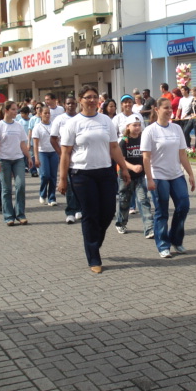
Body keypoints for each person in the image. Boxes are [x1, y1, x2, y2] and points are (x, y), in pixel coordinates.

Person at [58, 85, 131, 273]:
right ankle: (93, 257)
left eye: (94, 97)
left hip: (106, 172)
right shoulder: (73, 124)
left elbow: (114, 147)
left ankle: (94, 242)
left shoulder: (105, 120)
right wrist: (62, 179)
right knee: (90, 215)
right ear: (80, 100)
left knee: (107, 213)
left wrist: (124, 168)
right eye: (88, 97)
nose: (91, 100)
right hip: (82, 174)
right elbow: (65, 153)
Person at [141, 97, 196, 258]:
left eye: (170, 108)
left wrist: (190, 174)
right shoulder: (150, 131)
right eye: (166, 108)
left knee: (183, 206)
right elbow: (146, 158)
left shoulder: (176, 129)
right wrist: (150, 179)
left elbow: (182, 154)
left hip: (176, 175)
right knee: (162, 212)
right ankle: (163, 245)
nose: (169, 110)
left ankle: (176, 240)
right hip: (158, 176)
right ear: (157, 110)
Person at [0, 101, 33, 226]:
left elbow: (22, 143)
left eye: (17, 110)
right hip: (4, 160)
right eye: (14, 110)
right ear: (6, 111)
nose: (16, 112)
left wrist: (29, 157)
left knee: (20, 186)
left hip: (18, 160)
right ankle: (9, 216)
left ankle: (20, 214)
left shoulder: (18, 126)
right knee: (6, 189)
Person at [115, 114, 154, 237]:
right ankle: (121, 223)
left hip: (140, 177)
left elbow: (148, 155)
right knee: (124, 200)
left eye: (139, 125)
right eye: (134, 125)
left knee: (143, 200)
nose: (137, 128)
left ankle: (149, 228)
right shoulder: (124, 142)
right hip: (126, 177)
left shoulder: (143, 139)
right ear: (128, 127)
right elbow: (121, 160)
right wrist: (132, 167)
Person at [32, 106, 58, 206]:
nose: (47, 115)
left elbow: (58, 139)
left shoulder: (54, 125)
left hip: (53, 152)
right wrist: (36, 158)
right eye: (45, 113)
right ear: (41, 114)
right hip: (42, 152)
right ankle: (42, 194)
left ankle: (52, 198)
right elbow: (35, 144)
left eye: (48, 113)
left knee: (53, 176)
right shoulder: (37, 127)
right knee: (45, 175)